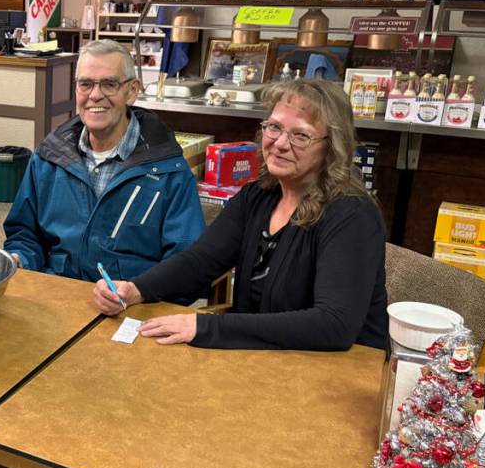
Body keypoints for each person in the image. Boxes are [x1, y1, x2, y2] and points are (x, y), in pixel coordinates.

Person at [93, 78, 388, 352]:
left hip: (340, 378)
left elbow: (334, 325)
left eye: (301, 135)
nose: (280, 143)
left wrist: (207, 326)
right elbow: (200, 262)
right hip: (267, 362)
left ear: (331, 147)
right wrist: (136, 289)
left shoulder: (352, 215)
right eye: (274, 127)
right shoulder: (258, 195)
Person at [3, 39, 204, 283]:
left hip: (132, 307)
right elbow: (24, 233)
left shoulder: (168, 171)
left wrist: (139, 292)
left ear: (132, 91)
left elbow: (186, 262)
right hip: (59, 296)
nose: (95, 95)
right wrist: (19, 259)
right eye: (85, 84)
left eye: (109, 84)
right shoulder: (49, 158)